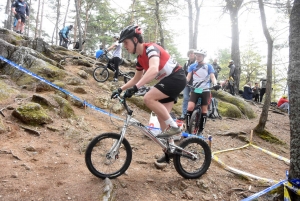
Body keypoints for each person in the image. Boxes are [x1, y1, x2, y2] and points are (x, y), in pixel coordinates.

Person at [110, 25, 186, 163]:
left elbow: (153, 70)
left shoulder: (151, 48)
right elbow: (136, 78)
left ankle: (175, 127)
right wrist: (120, 89)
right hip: (168, 81)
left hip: (176, 78)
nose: (125, 46)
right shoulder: (140, 59)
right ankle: (171, 150)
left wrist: (136, 88)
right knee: (162, 118)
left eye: (126, 43)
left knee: (148, 98)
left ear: (135, 39)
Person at [185, 49, 218, 136]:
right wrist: (184, 82)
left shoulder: (209, 66)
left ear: (203, 57)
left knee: (204, 110)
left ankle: (200, 130)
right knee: (190, 107)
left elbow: (212, 77)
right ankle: (188, 128)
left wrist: (215, 84)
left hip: (205, 90)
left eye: (199, 56)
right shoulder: (192, 66)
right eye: (196, 55)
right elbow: (188, 77)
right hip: (195, 89)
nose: (197, 57)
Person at [179, 49, 196, 120]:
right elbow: (183, 73)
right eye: (189, 54)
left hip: (195, 84)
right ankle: (184, 114)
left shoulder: (198, 63)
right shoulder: (186, 63)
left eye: (192, 53)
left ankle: (193, 115)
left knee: (194, 99)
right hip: (187, 84)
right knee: (185, 98)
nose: (191, 55)